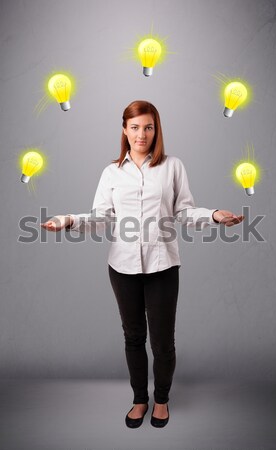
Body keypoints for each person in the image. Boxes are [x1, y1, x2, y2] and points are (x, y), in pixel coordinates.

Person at [41, 100, 244, 428]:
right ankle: (139, 399)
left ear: (156, 129)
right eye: (134, 127)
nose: (141, 134)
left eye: (148, 127)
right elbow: (102, 217)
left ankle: (161, 399)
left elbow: (183, 212)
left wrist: (215, 215)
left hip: (163, 266)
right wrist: (67, 220)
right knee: (133, 337)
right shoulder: (111, 172)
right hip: (122, 268)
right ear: (124, 129)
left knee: (163, 341)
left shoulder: (172, 166)